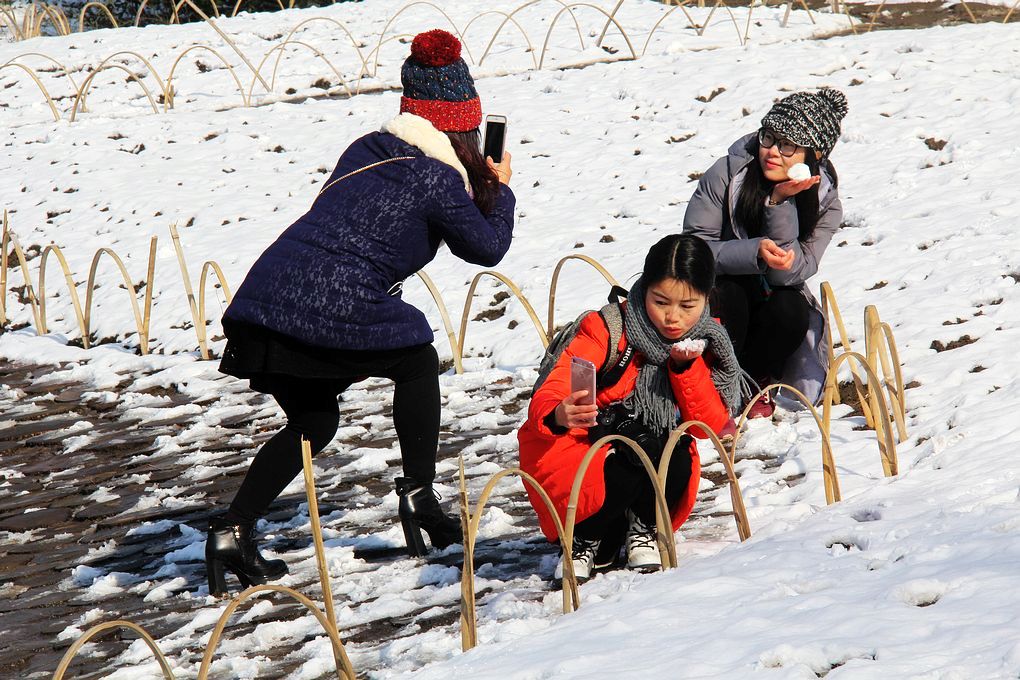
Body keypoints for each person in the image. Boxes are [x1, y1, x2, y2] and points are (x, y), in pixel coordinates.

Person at [204, 29, 515, 596]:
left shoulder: (364, 150)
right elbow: (487, 249)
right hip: (330, 301)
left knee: (314, 422)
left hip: (265, 295)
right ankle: (420, 496)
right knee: (418, 360)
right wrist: (499, 186)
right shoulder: (437, 176)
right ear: (464, 126)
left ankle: (231, 531)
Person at [518, 234, 740, 581]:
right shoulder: (608, 328)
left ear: (706, 298)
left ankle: (644, 527)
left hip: (650, 453)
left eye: (688, 306)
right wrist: (559, 412)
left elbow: (705, 426)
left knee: (677, 449)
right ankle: (584, 538)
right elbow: (562, 379)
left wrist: (685, 370)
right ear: (644, 288)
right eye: (661, 301)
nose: (672, 317)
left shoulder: (707, 341)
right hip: (582, 443)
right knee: (624, 457)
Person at [683, 88, 848, 417]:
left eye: (788, 145)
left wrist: (779, 202)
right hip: (717, 288)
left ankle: (754, 382)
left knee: (792, 310)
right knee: (732, 294)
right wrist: (754, 251)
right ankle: (715, 382)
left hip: (773, 292)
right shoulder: (727, 174)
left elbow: (791, 272)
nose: (773, 152)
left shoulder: (827, 205)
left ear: (814, 155)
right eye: (768, 137)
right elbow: (694, 248)